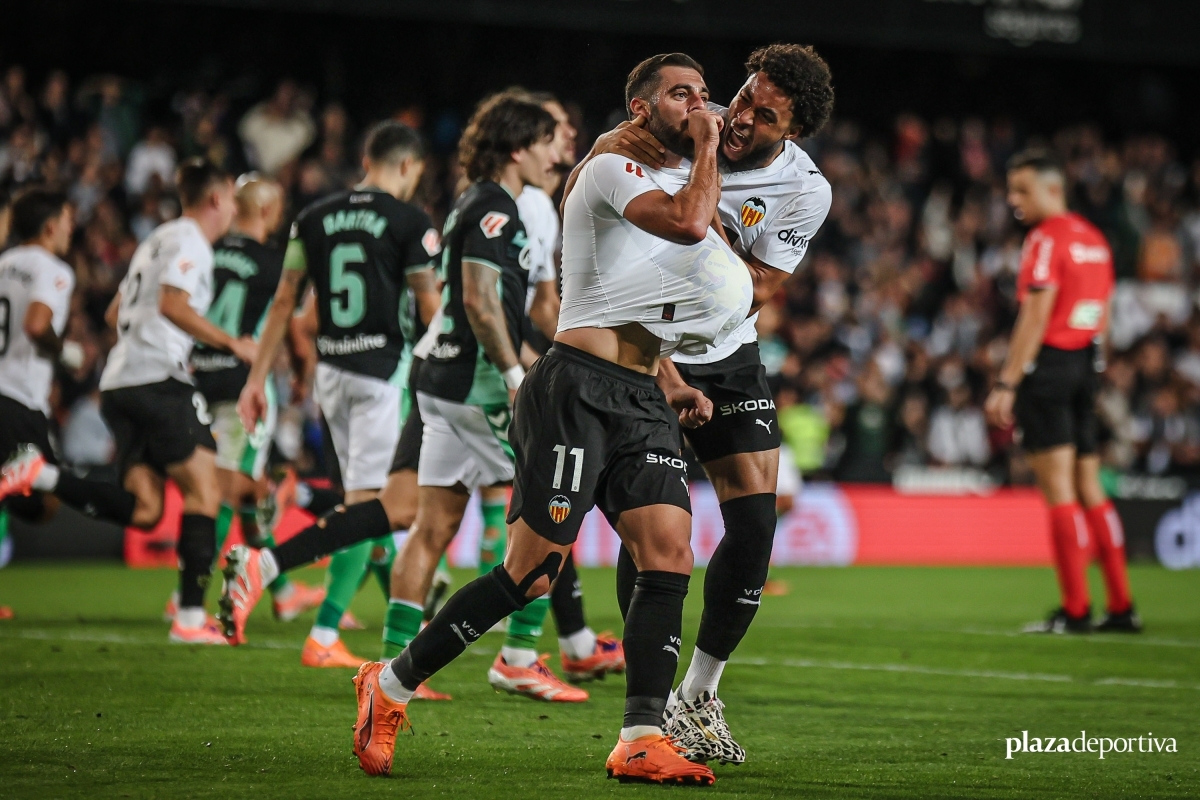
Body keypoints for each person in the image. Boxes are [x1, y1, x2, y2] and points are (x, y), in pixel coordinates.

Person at [350, 53, 751, 785]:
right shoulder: (608, 170)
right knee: (532, 574)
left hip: (639, 394)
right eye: (680, 94)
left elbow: (637, 298)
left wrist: (670, 378)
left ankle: (638, 736)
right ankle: (391, 683)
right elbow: (693, 227)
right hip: (575, 387)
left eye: (704, 92)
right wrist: (707, 146)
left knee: (668, 551)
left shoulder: (667, 179)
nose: (700, 103)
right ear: (641, 109)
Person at [567, 43, 834, 764]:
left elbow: (764, 287)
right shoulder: (677, 127)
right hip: (646, 352)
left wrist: (702, 220)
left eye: (764, 113)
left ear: (794, 132)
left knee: (753, 524)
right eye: (744, 95)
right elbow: (604, 192)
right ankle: (646, 702)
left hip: (729, 355)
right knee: (655, 532)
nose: (740, 115)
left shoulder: (806, 190)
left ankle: (699, 695)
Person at [221, 121, 440, 663]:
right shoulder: (409, 220)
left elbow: (285, 302)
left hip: (332, 375)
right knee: (376, 509)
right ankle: (313, 624)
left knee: (370, 507)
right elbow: (430, 309)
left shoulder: (313, 217)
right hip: (382, 377)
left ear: (368, 158)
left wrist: (256, 380)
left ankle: (404, 638)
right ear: (408, 165)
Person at [3, 162, 244, 644]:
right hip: (155, 378)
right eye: (232, 199)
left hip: (120, 382)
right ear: (216, 199)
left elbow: (116, 312)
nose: (235, 208)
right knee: (204, 491)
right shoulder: (192, 241)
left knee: (146, 511)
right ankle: (191, 620)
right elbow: (172, 305)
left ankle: (43, 474)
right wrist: (232, 344)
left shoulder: (156, 238)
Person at [984, 149, 1138, 634]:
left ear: (1054, 190)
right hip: (1085, 366)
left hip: (1048, 369)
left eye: (1023, 190)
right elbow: (1103, 315)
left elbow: (1035, 314)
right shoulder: (1095, 240)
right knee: (1091, 487)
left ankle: (1075, 610)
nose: (1013, 200)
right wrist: (1092, 367)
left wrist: (1008, 382)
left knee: (1060, 494)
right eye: (1011, 190)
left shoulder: (1045, 240)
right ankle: (1121, 606)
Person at [181, 173, 325, 624]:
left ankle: (280, 591)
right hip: (246, 382)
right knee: (232, 486)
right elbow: (294, 326)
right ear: (265, 211)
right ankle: (187, 598)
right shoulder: (274, 261)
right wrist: (303, 375)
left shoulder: (205, 251)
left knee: (251, 488)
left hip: (197, 376)